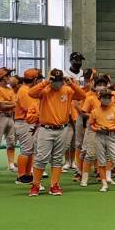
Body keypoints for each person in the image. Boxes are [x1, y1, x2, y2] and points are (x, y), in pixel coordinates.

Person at [26, 69, 86, 197]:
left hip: (62, 129)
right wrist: (45, 82)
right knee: (41, 158)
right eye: (55, 81)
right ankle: (35, 185)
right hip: (45, 129)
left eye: (60, 81)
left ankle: (54, 185)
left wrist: (71, 83)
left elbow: (82, 96)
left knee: (58, 159)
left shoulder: (67, 90)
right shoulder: (45, 90)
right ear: (51, 80)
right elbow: (31, 93)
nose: (57, 84)